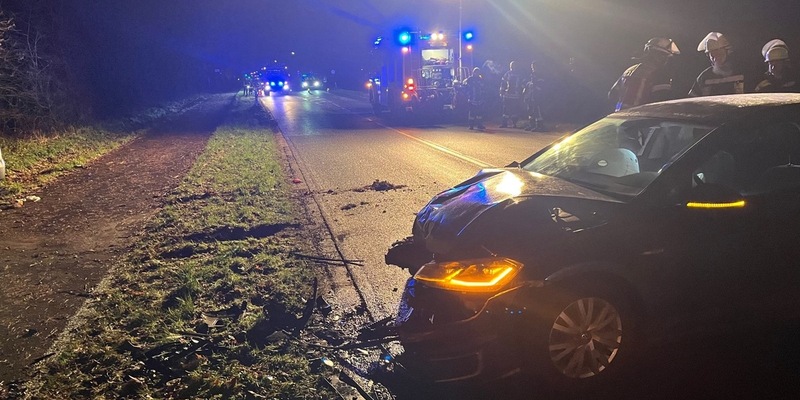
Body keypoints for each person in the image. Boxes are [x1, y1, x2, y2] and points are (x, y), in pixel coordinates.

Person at [608, 38, 680, 112]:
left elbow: (612, 95)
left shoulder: (630, 70)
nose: (666, 60)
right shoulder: (659, 74)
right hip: (642, 119)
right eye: (665, 56)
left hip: (619, 116)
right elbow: (662, 100)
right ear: (660, 55)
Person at [689, 32, 745, 97]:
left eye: (719, 53)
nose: (716, 57)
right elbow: (692, 101)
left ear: (727, 52)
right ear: (708, 56)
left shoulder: (742, 72)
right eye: (712, 54)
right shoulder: (704, 77)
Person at [499, 61, 525, 128]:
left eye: (514, 66)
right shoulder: (507, 74)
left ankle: (514, 124)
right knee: (505, 110)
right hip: (507, 95)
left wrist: (523, 91)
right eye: (511, 66)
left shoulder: (519, 75)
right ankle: (504, 123)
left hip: (516, 96)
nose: (513, 67)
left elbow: (522, 84)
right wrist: (501, 92)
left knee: (515, 111)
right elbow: (503, 83)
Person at [523, 61, 545, 131]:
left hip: (537, 95)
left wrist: (534, 84)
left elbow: (540, 84)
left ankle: (539, 126)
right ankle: (531, 125)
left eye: (534, 66)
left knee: (537, 110)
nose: (532, 68)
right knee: (530, 110)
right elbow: (527, 83)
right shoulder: (531, 74)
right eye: (532, 66)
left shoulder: (540, 74)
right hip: (530, 95)